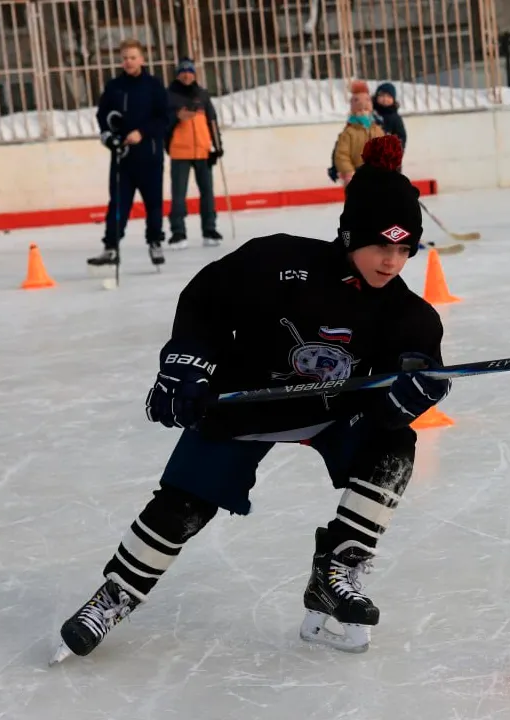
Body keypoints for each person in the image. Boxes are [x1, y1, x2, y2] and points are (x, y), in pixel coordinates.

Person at [52, 134, 450, 664]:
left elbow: (406, 383)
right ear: (349, 235)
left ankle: (338, 567)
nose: (393, 262)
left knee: (395, 445)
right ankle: (115, 595)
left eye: (405, 249)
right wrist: (185, 371)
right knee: (181, 508)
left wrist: (410, 395)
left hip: (331, 414)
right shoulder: (279, 263)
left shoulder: (409, 314)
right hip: (247, 406)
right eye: (382, 245)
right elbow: (204, 303)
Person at [89, 39, 169, 270]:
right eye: (124, 57)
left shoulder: (153, 85)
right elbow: (103, 116)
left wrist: (142, 133)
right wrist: (109, 137)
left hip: (150, 157)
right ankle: (111, 247)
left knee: (153, 204)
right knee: (118, 204)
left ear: (142, 59)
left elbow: (164, 118)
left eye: (133, 57)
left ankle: (155, 242)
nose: (128, 62)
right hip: (123, 158)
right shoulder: (114, 86)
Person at [166, 58, 224, 248]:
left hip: (202, 151)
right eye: (182, 72)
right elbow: (162, 122)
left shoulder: (202, 95)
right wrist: (176, 116)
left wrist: (217, 147)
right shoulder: (169, 96)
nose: (186, 75)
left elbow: (212, 122)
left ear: (194, 73)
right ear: (177, 74)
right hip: (180, 152)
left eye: (189, 71)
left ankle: (209, 229)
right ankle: (178, 232)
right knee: (179, 194)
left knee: (207, 192)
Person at [332, 80, 386, 185]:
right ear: (353, 112)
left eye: (366, 110)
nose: (363, 114)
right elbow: (342, 154)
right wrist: (348, 172)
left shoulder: (377, 129)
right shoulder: (348, 132)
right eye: (359, 111)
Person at [373, 82, 407, 148]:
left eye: (389, 96)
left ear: (393, 99)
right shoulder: (371, 113)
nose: (385, 99)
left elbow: (401, 137)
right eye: (382, 95)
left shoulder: (395, 118)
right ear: (376, 97)